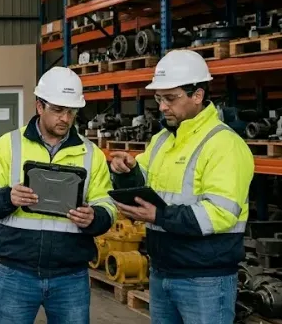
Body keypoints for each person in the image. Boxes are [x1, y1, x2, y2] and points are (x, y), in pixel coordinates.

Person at [109, 49, 254, 324]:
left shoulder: (224, 145)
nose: (163, 106)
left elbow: (220, 214)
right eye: (159, 98)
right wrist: (127, 172)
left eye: (171, 98)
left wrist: (159, 216)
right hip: (163, 270)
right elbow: (144, 185)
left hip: (205, 279)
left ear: (197, 95)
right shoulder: (163, 140)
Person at [0, 66, 118, 324]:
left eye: (71, 112)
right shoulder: (8, 144)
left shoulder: (91, 153)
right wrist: (8, 198)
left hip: (70, 276)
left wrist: (94, 217)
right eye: (58, 110)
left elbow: (107, 204)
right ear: (40, 106)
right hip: (16, 272)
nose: (65, 118)